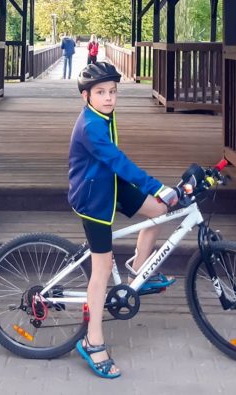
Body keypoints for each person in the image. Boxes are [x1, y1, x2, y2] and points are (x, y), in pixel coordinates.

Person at [68, 62, 179, 378]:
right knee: (101, 270)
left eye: (113, 92)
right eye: (100, 92)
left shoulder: (102, 115)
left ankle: (138, 270)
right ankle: (93, 341)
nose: (108, 98)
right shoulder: (90, 126)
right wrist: (156, 185)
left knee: (158, 210)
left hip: (109, 185)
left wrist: (156, 194)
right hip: (93, 200)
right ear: (85, 97)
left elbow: (114, 166)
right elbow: (118, 161)